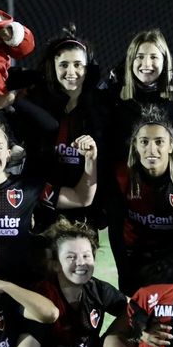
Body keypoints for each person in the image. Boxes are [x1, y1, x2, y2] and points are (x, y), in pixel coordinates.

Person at [13, 217, 127, 347]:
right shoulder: (43, 297)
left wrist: (111, 337)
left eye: (86, 255)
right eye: (71, 257)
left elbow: (132, 313)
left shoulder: (98, 290)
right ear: (55, 264)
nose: (81, 263)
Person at [0, 121, 97, 286]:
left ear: (8, 153)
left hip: (19, 286)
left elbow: (82, 198)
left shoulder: (29, 188)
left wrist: (90, 160)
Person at [109, 110, 173, 295]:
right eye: (144, 142)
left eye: (159, 142)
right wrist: (124, 272)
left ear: (171, 145)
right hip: (138, 254)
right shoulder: (122, 176)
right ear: (135, 146)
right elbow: (115, 229)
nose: (151, 150)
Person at [22, 25, 108, 230]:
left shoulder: (101, 107)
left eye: (78, 64)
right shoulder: (37, 103)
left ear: (88, 69)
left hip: (86, 208)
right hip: (45, 205)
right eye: (64, 65)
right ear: (53, 66)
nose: (71, 72)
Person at [101, 28, 173, 162]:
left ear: (165, 61)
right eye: (139, 57)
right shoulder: (113, 91)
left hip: (172, 174)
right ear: (130, 61)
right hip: (126, 173)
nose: (146, 64)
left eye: (153, 57)